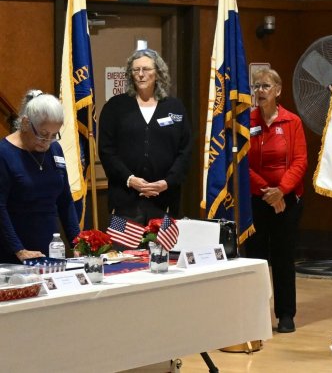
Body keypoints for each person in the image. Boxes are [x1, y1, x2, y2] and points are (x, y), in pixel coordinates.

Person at [245, 67, 308, 333]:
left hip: (287, 200)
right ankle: (257, 314)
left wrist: (281, 191)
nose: (260, 91)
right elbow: (241, 163)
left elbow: (300, 161)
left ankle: (285, 314)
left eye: (265, 86)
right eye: (257, 86)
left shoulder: (291, 122)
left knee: (283, 258)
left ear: (278, 91)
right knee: (257, 259)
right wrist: (265, 191)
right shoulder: (246, 121)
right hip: (257, 200)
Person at [98, 49, 192, 224]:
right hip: (123, 202)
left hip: (165, 201)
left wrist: (167, 182)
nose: (141, 74)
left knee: (164, 251)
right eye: (136, 70)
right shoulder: (114, 107)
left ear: (158, 73)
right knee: (122, 251)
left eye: (147, 69)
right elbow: (106, 151)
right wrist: (130, 179)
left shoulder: (175, 107)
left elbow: (185, 151)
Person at [0, 90, 80, 263]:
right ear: (25, 123)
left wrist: (77, 242)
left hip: (50, 248)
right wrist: (19, 250)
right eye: (43, 135)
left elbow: (65, 200)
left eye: (54, 135)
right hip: (13, 252)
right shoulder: (4, 154)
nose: (48, 141)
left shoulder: (55, 149)